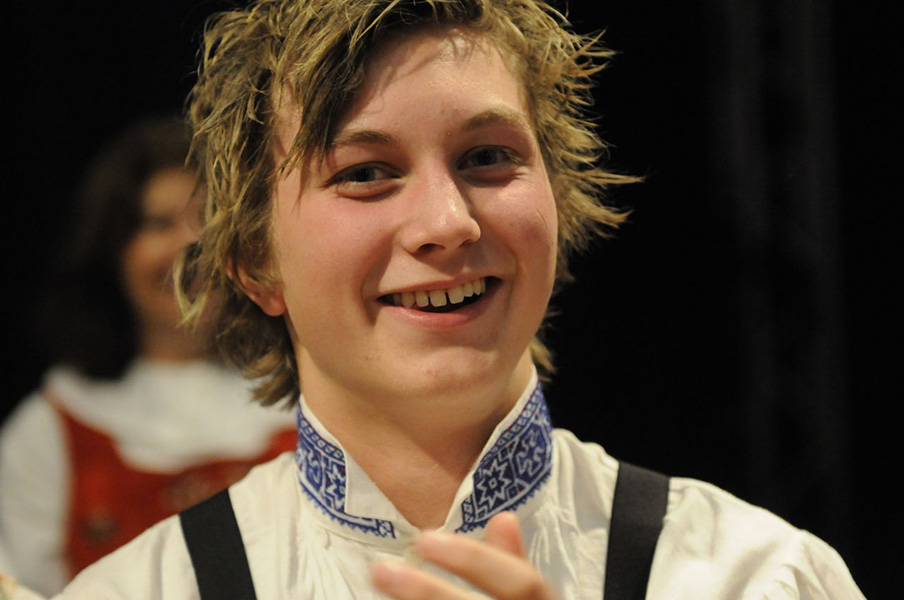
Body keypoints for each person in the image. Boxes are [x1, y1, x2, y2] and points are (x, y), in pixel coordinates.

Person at [51, 1, 865, 598]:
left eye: (487, 156)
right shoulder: (142, 593)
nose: (447, 222)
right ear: (256, 262)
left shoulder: (754, 579)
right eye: (366, 173)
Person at [0, 118, 297, 598]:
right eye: (159, 223)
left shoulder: (307, 390)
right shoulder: (53, 427)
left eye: (207, 219)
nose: (188, 246)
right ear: (111, 251)